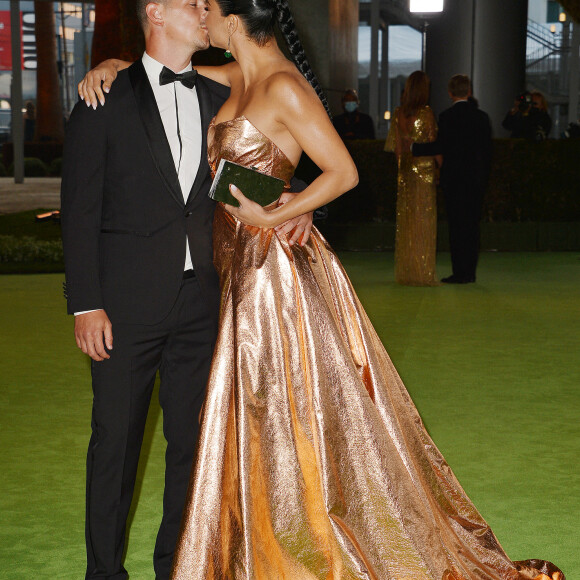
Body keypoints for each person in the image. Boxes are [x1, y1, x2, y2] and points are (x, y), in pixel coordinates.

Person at [81, 2, 564, 579]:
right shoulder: (233, 76)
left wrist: (290, 208)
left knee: (284, 418)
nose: (201, 13)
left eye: (207, 7)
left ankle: (292, 552)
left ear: (234, 19)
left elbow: (345, 171)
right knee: (232, 426)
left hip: (270, 280)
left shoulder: (282, 84)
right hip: (223, 279)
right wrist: (114, 62)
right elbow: (170, 89)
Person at [61, 1, 312, 578]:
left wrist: (298, 205)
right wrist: (86, 303)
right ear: (156, 12)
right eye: (191, 4)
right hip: (122, 309)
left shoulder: (213, 95)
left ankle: (177, 565)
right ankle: (104, 572)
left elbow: (254, 167)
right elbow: (79, 212)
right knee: (115, 448)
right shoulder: (103, 98)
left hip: (203, 305)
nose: (205, 11)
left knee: (193, 450)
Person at [413, 74, 492, 284]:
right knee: (472, 227)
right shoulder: (482, 117)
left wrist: (414, 148)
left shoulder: (447, 117)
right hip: (475, 181)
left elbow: (441, 146)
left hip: (454, 180)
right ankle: (470, 272)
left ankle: (459, 273)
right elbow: (488, 152)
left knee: (456, 227)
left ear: (450, 93)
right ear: (469, 92)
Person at [384, 70, 440, 286]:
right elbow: (433, 145)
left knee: (407, 223)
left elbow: (397, 149)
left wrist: (403, 170)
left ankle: (407, 272)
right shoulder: (426, 113)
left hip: (405, 171)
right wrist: (439, 169)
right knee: (424, 221)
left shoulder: (398, 113)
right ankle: (422, 272)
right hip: (424, 171)